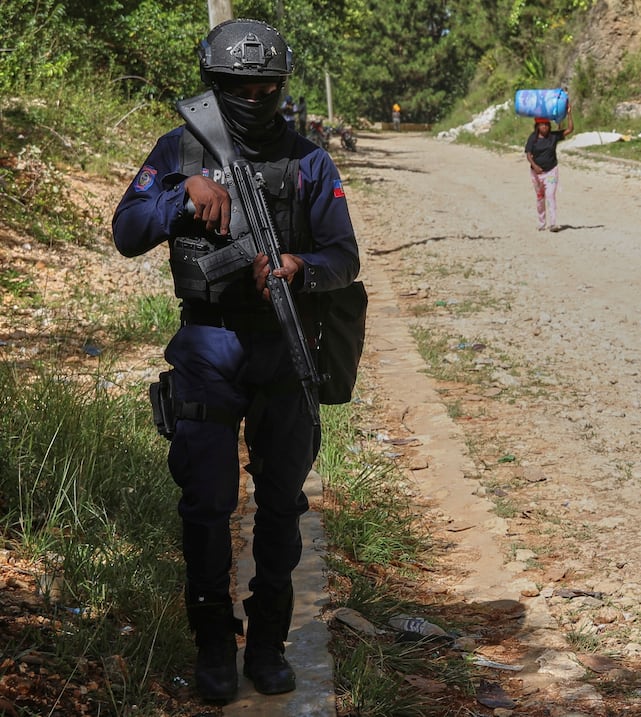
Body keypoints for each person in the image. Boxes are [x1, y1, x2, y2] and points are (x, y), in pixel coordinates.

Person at [111, 18, 359, 704]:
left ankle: (271, 642)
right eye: (238, 86)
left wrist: (297, 266)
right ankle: (215, 643)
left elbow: (346, 258)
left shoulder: (310, 161)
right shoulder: (178, 150)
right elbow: (126, 230)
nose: (254, 95)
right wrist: (178, 197)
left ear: (282, 87)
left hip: (284, 350)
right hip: (207, 347)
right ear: (213, 86)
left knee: (281, 505)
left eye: (266, 85)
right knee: (206, 506)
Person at [524, 105, 573, 232]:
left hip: (551, 171)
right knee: (540, 198)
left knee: (550, 195)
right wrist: (535, 166)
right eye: (541, 125)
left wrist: (569, 114)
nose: (544, 127)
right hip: (536, 173)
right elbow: (528, 154)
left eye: (546, 124)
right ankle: (541, 223)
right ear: (537, 126)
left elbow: (570, 129)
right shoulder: (532, 138)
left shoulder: (553, 137)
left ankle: (553, 223)